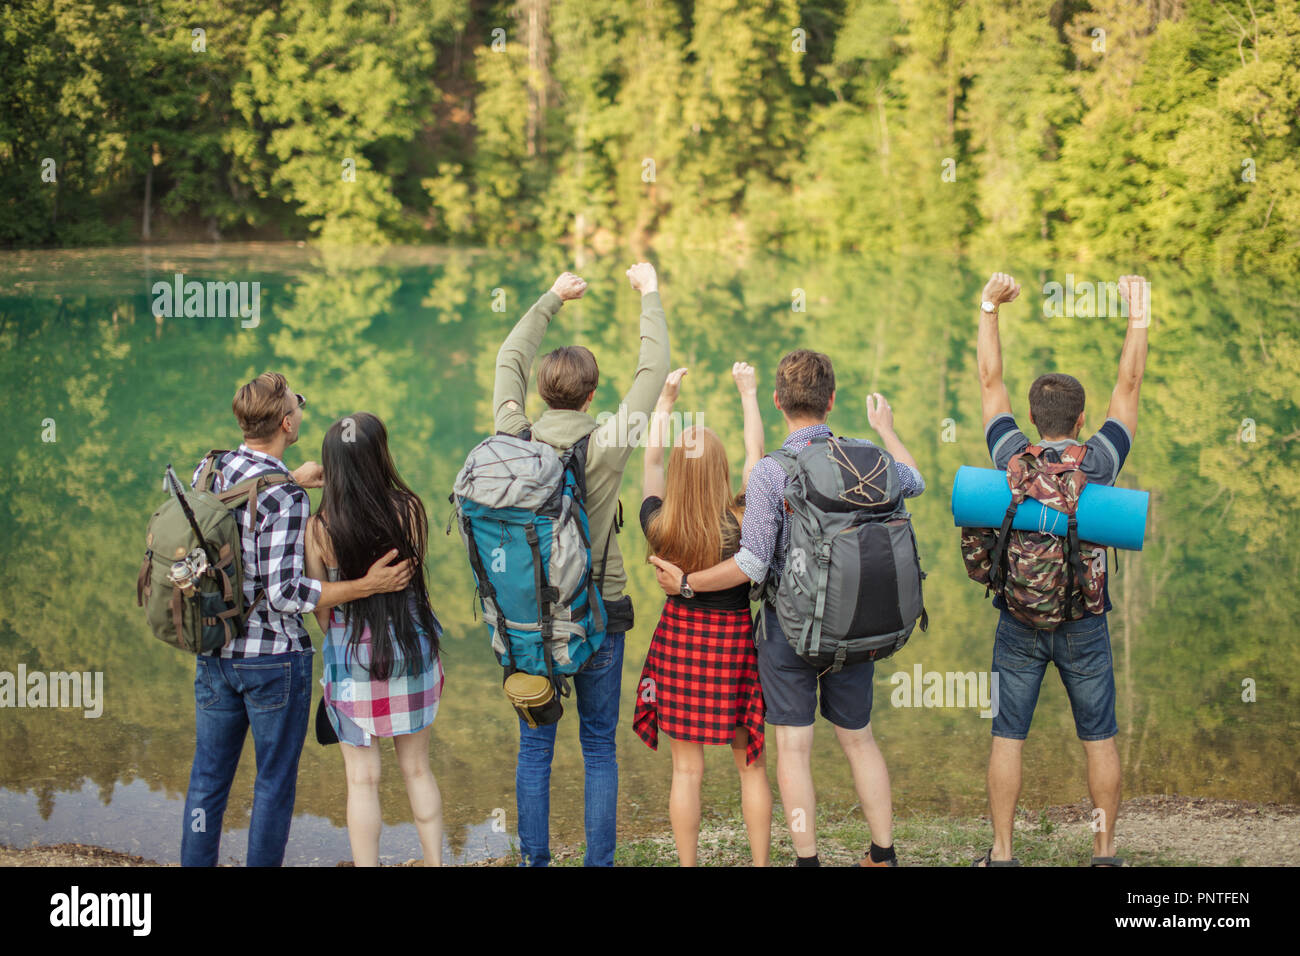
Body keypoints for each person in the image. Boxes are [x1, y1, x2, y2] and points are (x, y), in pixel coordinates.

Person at [650, 350, 925, 867]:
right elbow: (916, 479)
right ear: (832, 401)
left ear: (778, 401)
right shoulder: (867, 456)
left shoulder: (773, 472)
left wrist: (687, 584)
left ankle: (807, 858)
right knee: (860, 741)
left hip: (791, 631)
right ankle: (882, 855)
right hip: (857, 626)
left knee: (794, 750)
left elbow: (752, 565)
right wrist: (885, 429)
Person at [182, 373, 414, 867]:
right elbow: (286, 593)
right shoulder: (287, 499)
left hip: (214, 647)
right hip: (272, 662)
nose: (301, 409)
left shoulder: (211, 469)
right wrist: (364, 587)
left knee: (207, 782)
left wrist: (290, 477)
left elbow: (238, 527)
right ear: (288, 423)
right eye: (297, 404)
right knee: (272, 785)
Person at [494, 263, 671, 866]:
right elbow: (653, 371)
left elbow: (508, 359)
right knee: (599, 746)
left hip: (527, 615)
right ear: (593, 394)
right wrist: (649, 292)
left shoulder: (513, 435)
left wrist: (552, 297)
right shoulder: (608, 441)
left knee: (534, 748)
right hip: (599, 612)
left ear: (541, 393)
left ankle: (534, 862)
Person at [972, 272, 1147, 867]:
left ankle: (1001, 854)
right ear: (1079, 420)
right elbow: (1130, 383)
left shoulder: (1010, 459)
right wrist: (1138, 314)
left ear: (1031, 416)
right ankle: (1104, 853)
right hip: (1084, 621)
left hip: (1019, 618)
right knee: (1098, 736)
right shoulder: (1098, 462)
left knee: (1007, 735)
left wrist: (989, 308)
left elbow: (988, 380)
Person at [635, 362, 771, 866]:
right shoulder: (742, 519)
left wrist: (666, 402)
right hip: (732, 647)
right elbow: (757, 454)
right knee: (751, 766)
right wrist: (749, 394)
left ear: (678, 472)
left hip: (680, 642)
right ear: (721, 470)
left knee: (685, 772)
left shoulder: (659, 525)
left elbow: (650, 462)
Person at [304, 412, 445, 867]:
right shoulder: (408, 509)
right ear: (380, 456)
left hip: (352, 661)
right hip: (411, 650)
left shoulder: (320, 527)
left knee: (362, 781)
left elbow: (321, 610)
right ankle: (435, 863)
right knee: (418, 770)